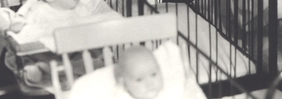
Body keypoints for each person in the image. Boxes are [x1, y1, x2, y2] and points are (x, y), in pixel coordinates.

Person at [2, 0, 120, 88]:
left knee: (93, 59)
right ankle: (38, 67)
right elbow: (29, 27)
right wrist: (20, 25)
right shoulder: (40, 9)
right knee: (38, 56)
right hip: (51, 53)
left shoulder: (81, 8)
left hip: (75, 52)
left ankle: (58, 72)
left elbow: (89, 24)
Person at [65, 43, 206, 99]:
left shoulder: (170, 91)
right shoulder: (119, 96)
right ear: (123, 83)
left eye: (153, 74)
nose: (150, 83)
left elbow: (191, 93)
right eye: (139, 79)